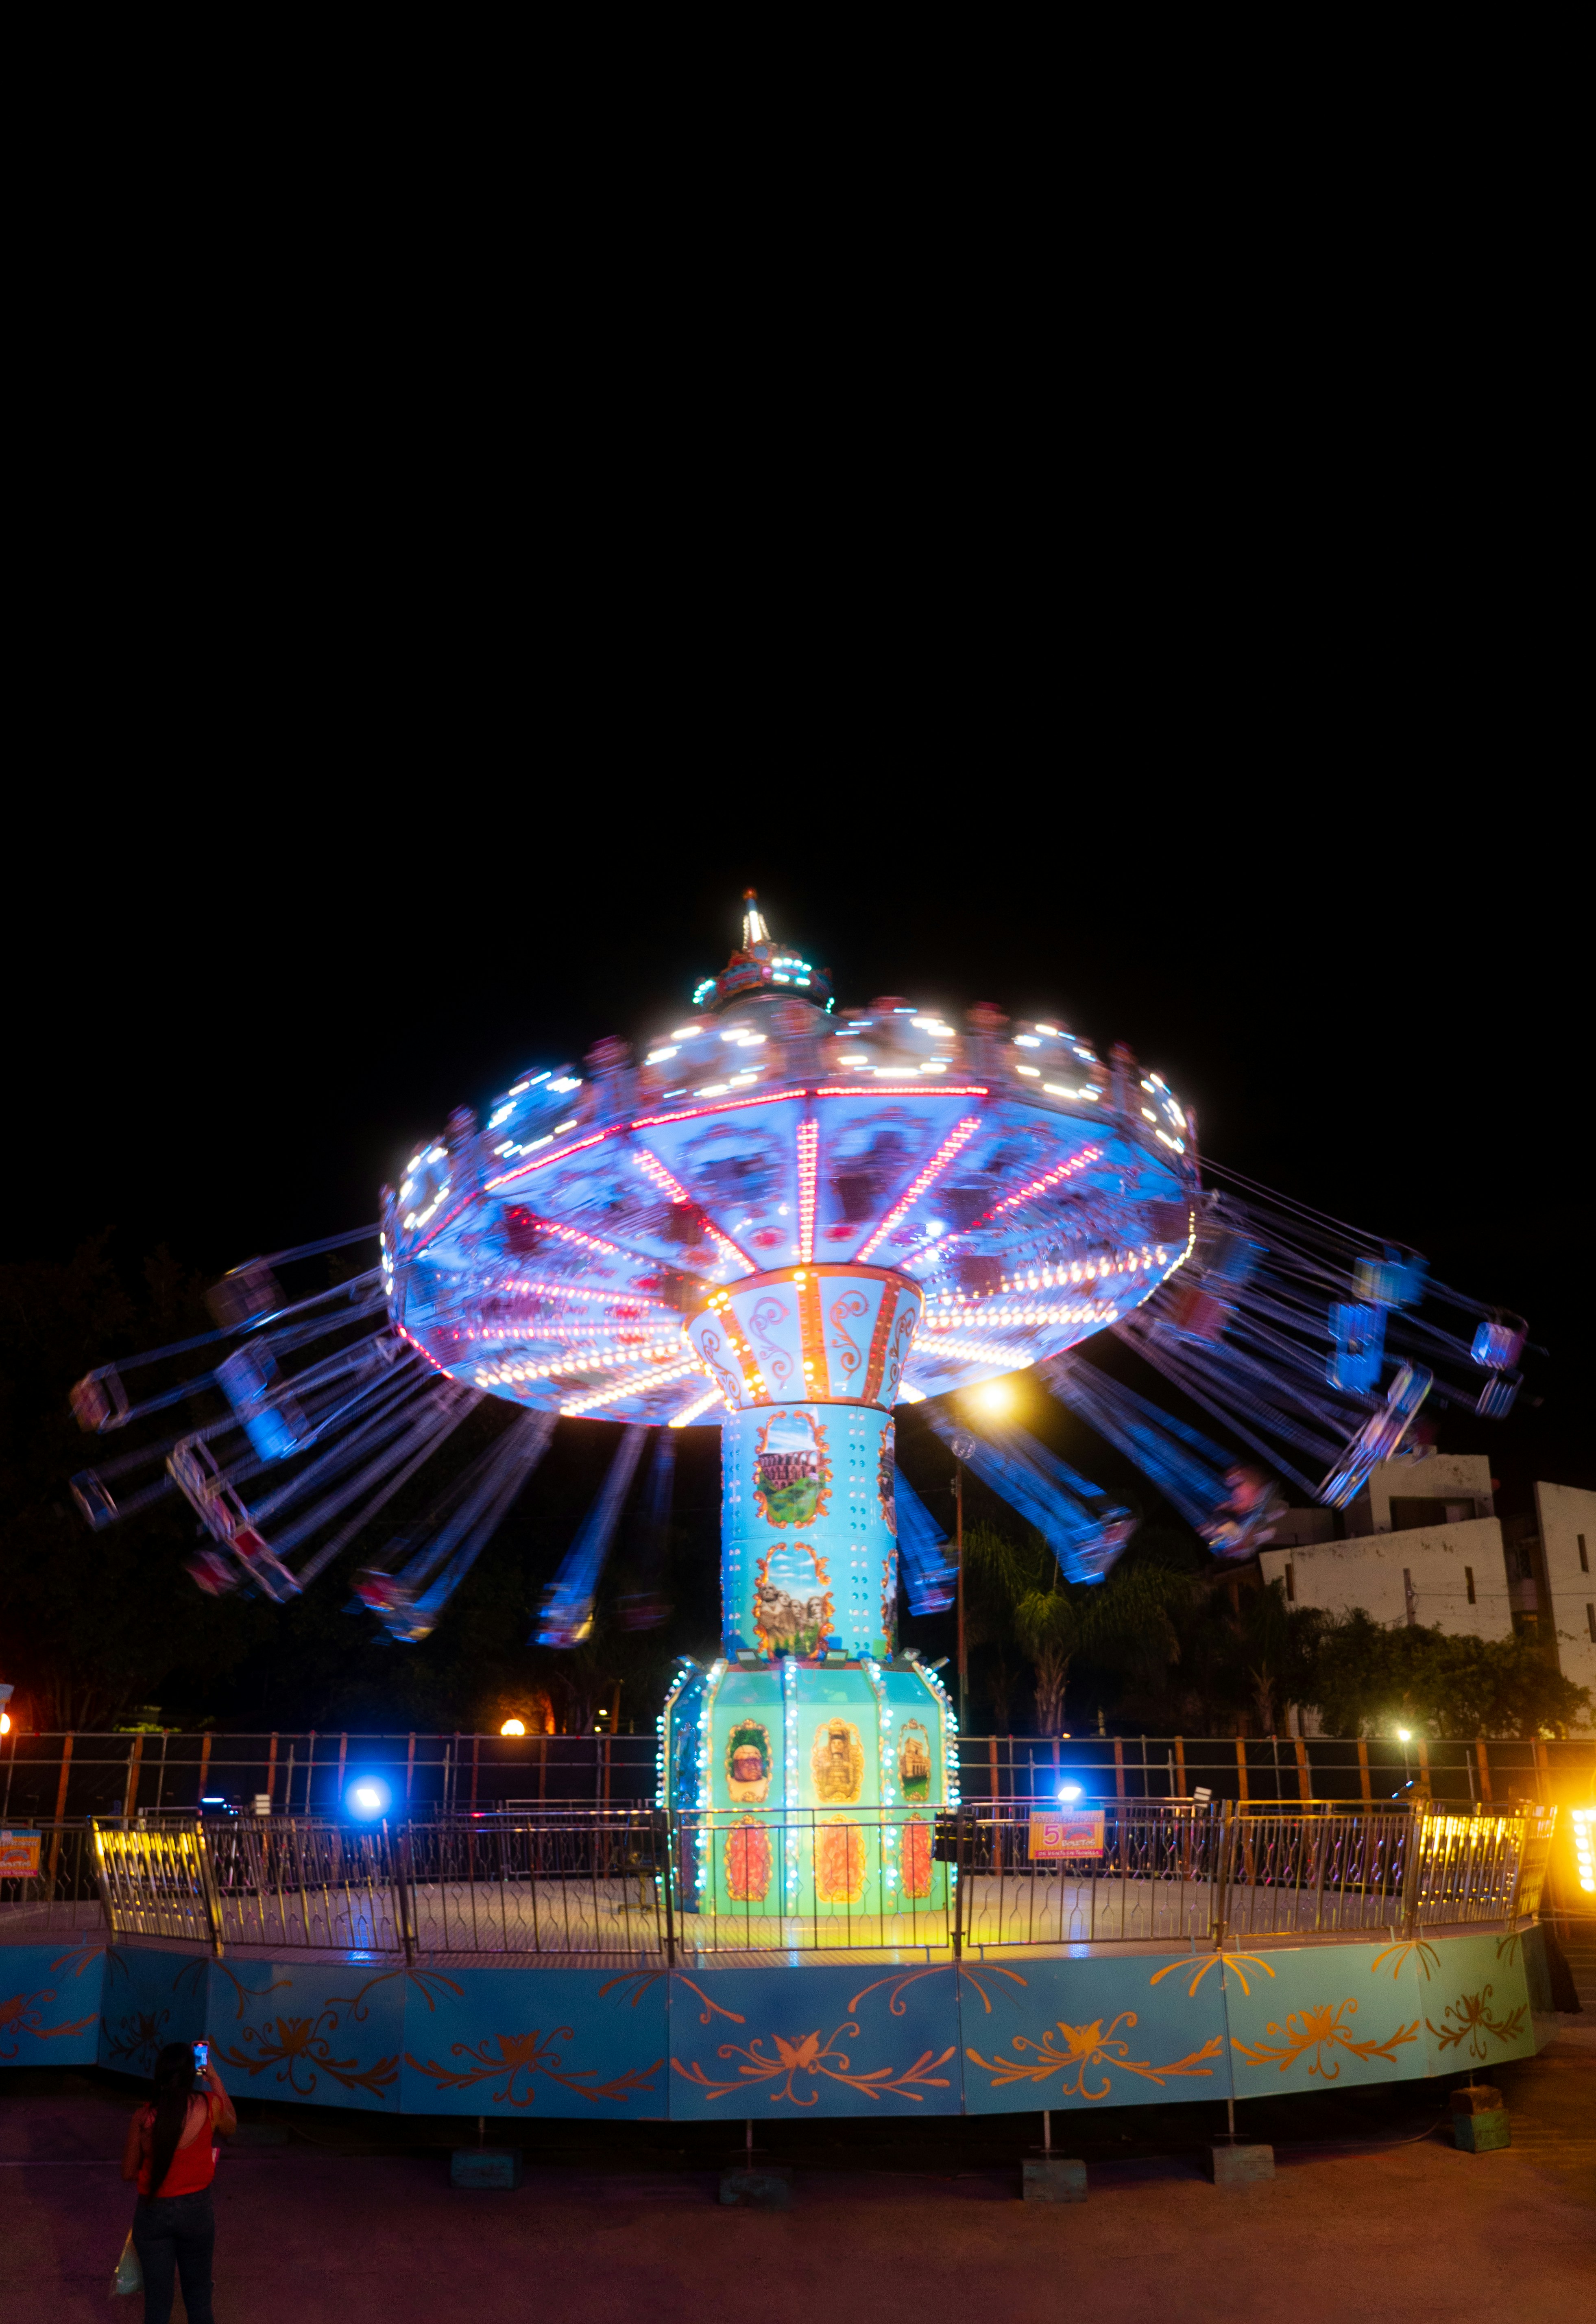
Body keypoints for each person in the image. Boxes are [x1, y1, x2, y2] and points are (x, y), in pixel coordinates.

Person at [120, 2040, 236, 2323]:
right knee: (198, 2298)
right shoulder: (210, 2107)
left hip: (153, 2212)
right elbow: (231, 2126)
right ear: (191, 2075)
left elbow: (128, 2171)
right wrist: (214, 2078)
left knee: (158, 2305)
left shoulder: (144, 2117)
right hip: (197, 2212)